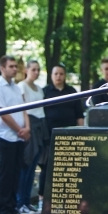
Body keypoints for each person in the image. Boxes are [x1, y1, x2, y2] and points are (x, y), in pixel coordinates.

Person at [39, 64, 84, 198]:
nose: (58, 76)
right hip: (49, 136)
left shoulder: (72, 91)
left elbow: (79, 115)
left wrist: (80, 133)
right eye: (56, 74)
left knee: (68, 167)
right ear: (51, 75)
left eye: (61, 74)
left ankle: (67, 197)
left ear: (65, 75)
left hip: (69, 135)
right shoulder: (44, 92)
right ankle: (43, 197)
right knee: (47, 168)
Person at [0, 55, 31, 214]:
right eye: (11, 66)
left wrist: (27, 128)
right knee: (5, 174)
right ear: (2, 68)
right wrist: (18, 129)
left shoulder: (17, 88)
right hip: (5, 136)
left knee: (16, 173)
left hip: (19, 137)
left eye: (16, 66)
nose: (15, 69)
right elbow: (3, 112)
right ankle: (4, 208)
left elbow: (24, 109)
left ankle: (12, 206)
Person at [17, 60, 49, 213]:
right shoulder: (21, 86)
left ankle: (27, 201)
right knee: (26, 164)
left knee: (34, 166)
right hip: (29, 124)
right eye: (33, 69)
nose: (36, 72)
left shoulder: (39, 89)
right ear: (26, 70)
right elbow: (23, 110)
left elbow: (41, 110)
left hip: (40, 125)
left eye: (38, 70)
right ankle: (20, 202)